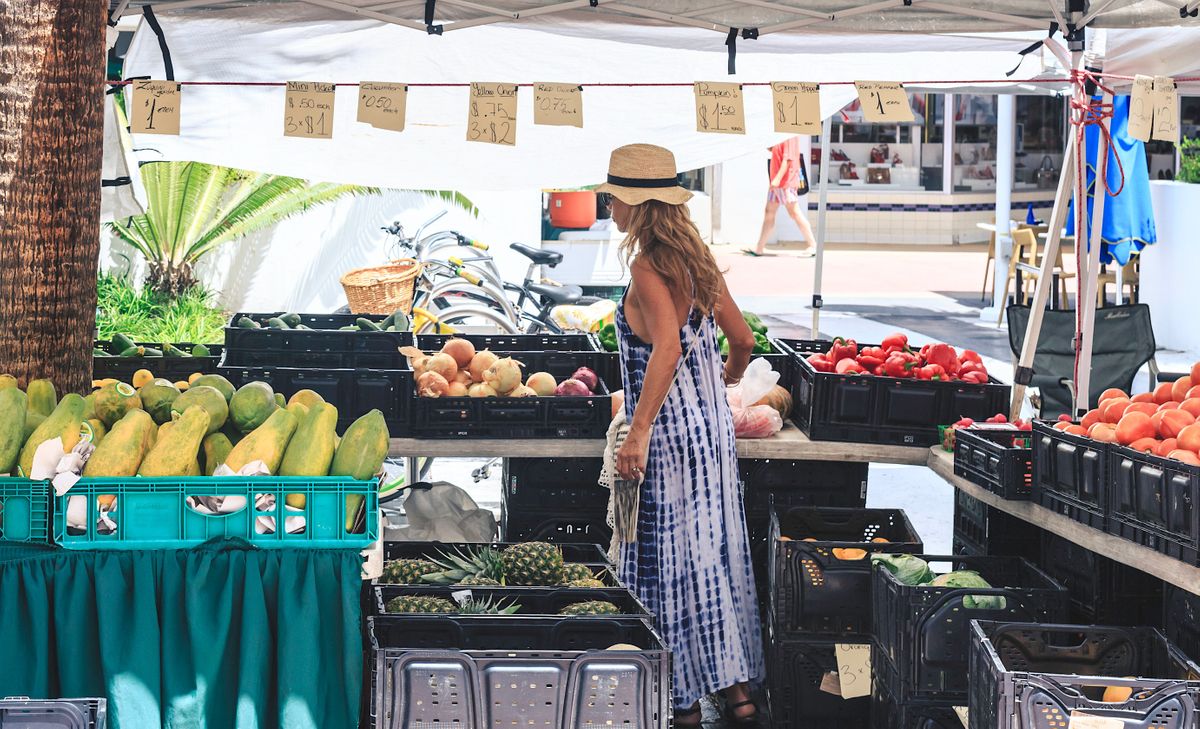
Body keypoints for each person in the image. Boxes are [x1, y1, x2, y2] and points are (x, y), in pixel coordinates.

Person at [597, 143, 764, 727]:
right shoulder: (697, 261)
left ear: (635, 205)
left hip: (666, 433)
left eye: (613, 197)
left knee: (666, 559)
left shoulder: (647, 267)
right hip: (711, 433)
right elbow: (742, 340)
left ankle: (683, 698)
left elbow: (664, 347)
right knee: (711, 555)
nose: (608, 206)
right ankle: (738, 694)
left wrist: (638, 431)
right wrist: (723, 382)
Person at [748, 136, 816, 257]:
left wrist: (777, 180)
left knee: (794, 213)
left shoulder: (789, 134)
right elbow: (778, 153)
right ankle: (759, 247)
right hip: (779, 183)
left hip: (785, 183)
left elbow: (788, 160)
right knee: (770, 212)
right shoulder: (781, 132)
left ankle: (812, 245)